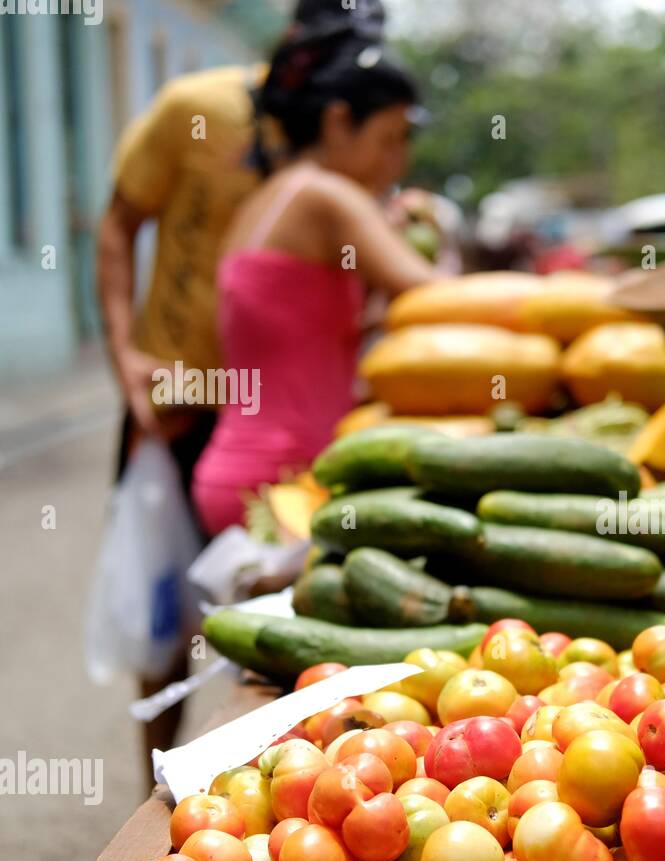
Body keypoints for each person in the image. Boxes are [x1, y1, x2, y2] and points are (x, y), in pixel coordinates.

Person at [95, 0, 388, 761]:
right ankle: (153, 786)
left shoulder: (334, 141)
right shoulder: (197, 110)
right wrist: (126, 354)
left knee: (257, 614)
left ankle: (244, 779)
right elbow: (118, 223)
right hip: (174, 402)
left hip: (259, 412)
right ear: (294, 37)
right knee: (167, 608)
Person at [189, 33, 440, 537]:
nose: (397, 163)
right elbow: (436, 296)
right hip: (285, 481)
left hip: (235, 468)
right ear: (338, 120)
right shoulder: (327, 195)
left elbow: (296, 334)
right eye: (388, 140)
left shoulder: (264, 201)